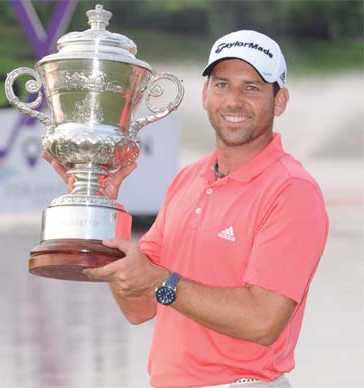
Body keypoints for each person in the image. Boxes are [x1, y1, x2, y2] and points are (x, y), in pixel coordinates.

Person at [44, 30, 329, 388]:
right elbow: (139, 307)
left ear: (280, 100)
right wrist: (104, 209)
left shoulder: (291, 190)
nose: (234, 101)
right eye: (222, 85)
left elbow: (263, 322)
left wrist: (162, 281)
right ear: (205, 94)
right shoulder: (188, 180)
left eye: (252, 88)